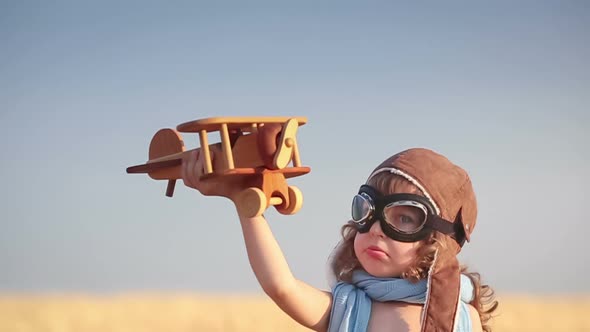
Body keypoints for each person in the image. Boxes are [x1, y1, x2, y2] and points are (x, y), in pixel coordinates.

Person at [181, 147, 497, 332]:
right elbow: (281, 286)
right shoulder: (348, 309)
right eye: (368, 210)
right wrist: (243, 201)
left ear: (438, 241)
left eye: (403, 218)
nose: (376, 228)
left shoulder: (461, 317)